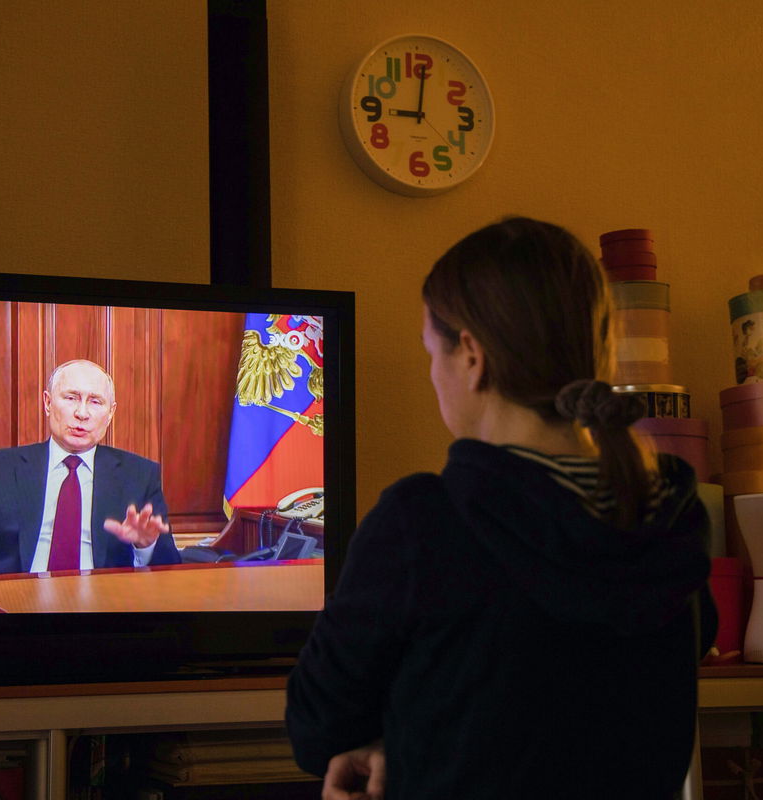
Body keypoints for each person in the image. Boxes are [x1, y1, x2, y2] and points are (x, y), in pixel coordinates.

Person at [285, 217, 716, 799]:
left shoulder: (423, 523)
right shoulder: (671, 518)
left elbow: (317, 729)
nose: (434, 375)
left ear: (470, 355)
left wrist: (398, 746)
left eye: (430, 353)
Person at [0, 359, 180, 576]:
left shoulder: (139, 475)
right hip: (13, 606)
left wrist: (145, 545)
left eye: (95, 402)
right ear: (47, 402)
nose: (82, 413)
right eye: (71, 397)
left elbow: (170, 569)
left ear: (110, 413)